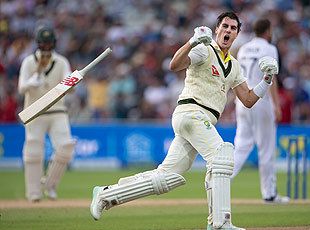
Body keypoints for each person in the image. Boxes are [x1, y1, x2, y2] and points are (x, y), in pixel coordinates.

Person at [90, 12, 278, 230]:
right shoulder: (203, 48)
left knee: (167, 177)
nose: (228, 31)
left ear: (237, 34)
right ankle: (220, 223)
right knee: (221, 156)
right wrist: (191, 41)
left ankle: (105, 194)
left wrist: (266, 80)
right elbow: (174, 65)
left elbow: (247, 99)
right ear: (217, 29)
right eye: (224, 26)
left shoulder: (234, 66)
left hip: (199, 120)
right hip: (191, 112)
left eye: (233, 28)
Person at [231, 19, 289, 204]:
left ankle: (220, 182)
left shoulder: (243, 48)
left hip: (242, 101)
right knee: (266, 149)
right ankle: (269, 194)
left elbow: (236, 77)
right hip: (261, 101)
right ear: (268, 30)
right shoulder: (269, 49)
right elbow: (271, 77)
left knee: (240, 146)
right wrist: (277, 105)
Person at [18, 26, 75, 202]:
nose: (47, 47)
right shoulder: (28, 61)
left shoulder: (62, 62)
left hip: (58, 111)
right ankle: (33, 193)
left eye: (49, 43)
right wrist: (30, 83)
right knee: (33, 151)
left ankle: (49, 185)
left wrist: (71, 83)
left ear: (54, 43)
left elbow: (69, 87)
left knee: (66, 147)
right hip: (35, 112)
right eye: (44, 43)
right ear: (38, 43)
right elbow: (21, 88)